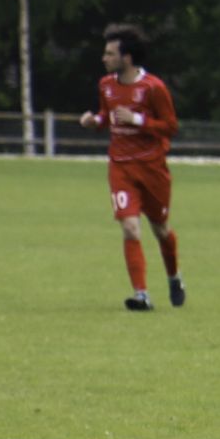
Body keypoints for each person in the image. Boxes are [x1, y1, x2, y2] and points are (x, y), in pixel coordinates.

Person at [79, 24, 185, 312]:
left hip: (152, 168)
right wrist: (94, 122)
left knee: (160, 229)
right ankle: (141, 295)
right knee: (129, 226)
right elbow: (107, 116)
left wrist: (138, 120)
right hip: (121, 167)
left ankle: (174, 277)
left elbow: (171, 127)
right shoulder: (106, 85)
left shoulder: (153, 87)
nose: (104, 58)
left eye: (110, 53)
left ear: (126, 58)